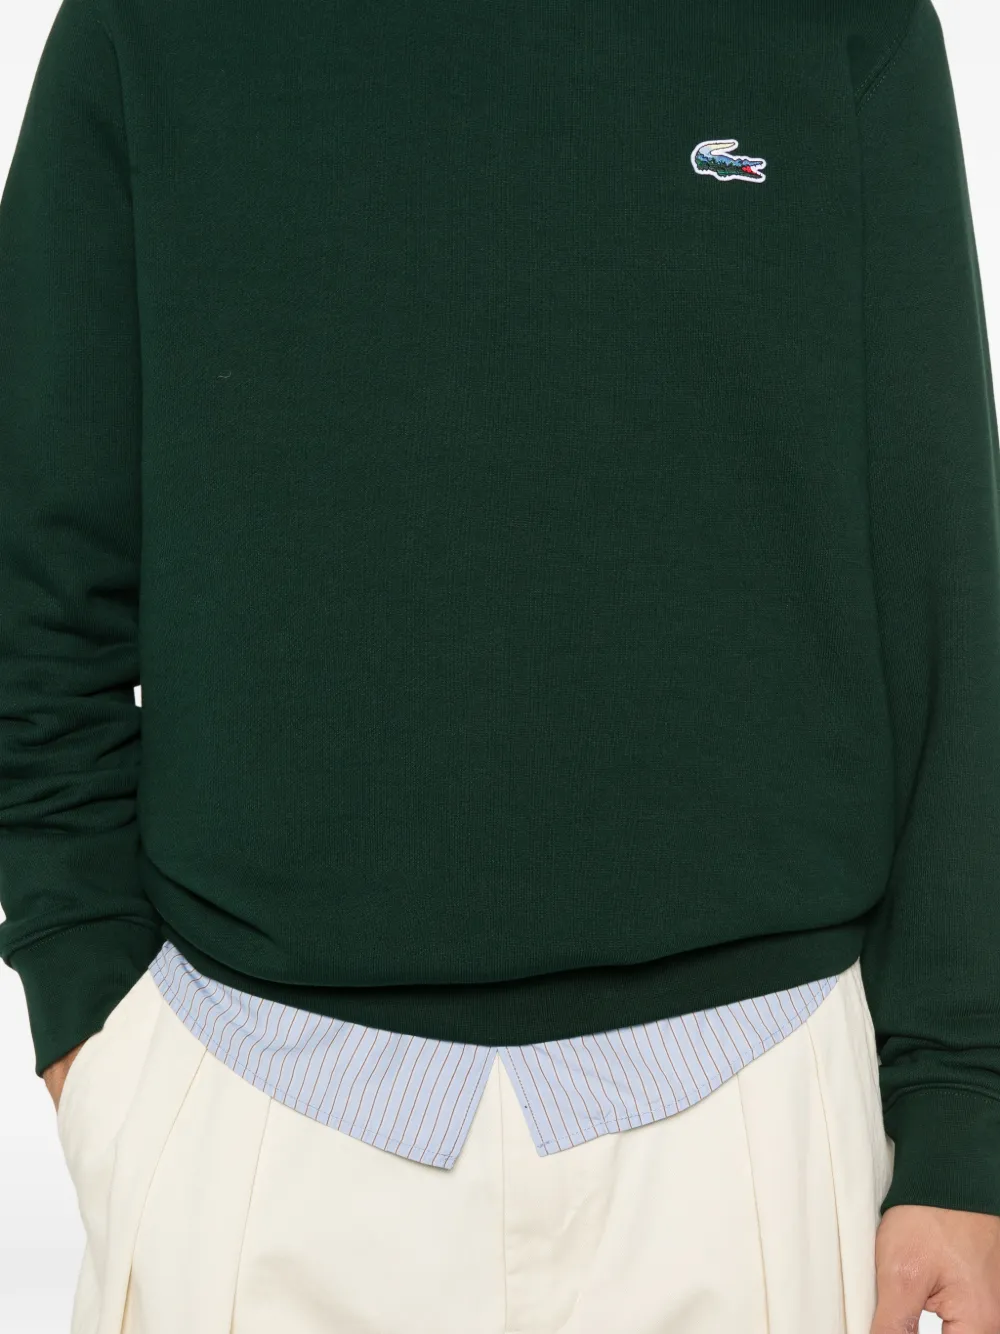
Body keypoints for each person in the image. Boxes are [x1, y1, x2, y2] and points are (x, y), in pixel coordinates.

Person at [1, 0, 999, 1329]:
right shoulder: (147, 25)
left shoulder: (841, 22)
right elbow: (37, 562)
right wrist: (87, 1000)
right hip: (260, 1108)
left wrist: (960, 1103)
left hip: (745, 1114)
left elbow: (942, 575)